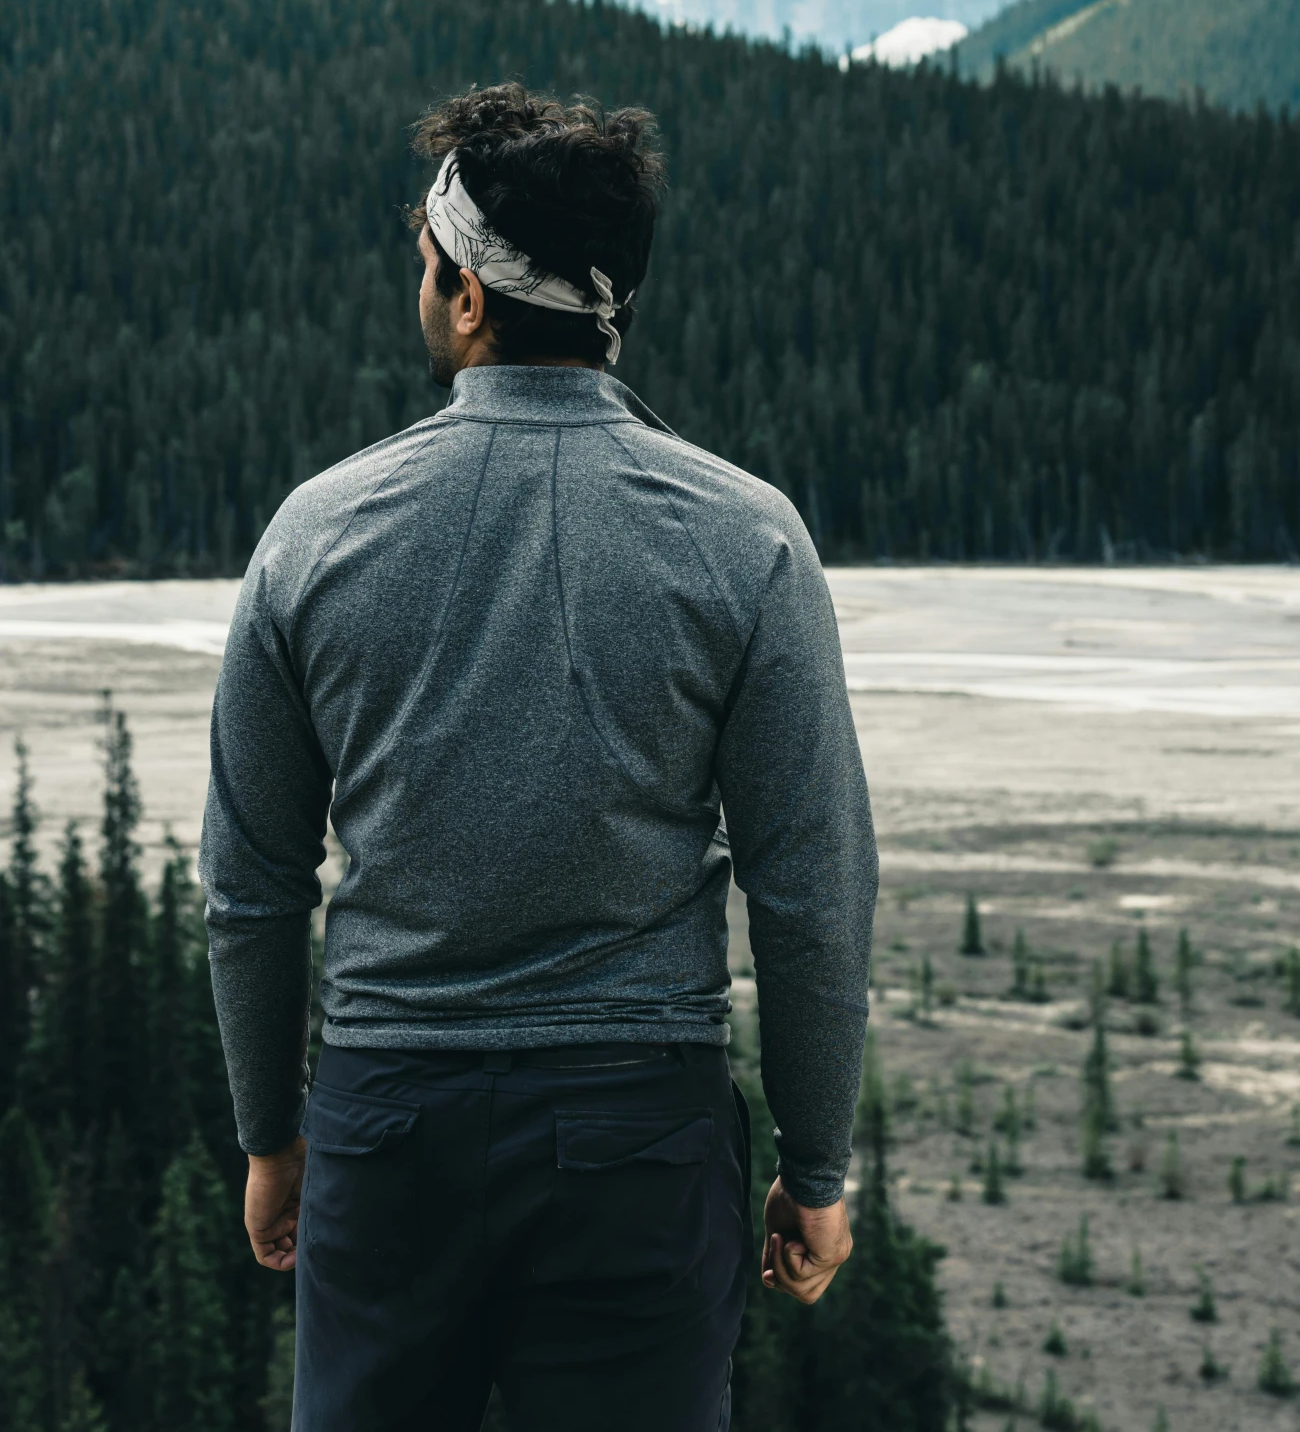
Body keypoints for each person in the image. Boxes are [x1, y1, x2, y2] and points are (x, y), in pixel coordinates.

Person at [199, 82, 878, 1432]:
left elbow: (251, 882)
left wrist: (274, 1137)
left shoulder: (315, 534)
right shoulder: (747, 540)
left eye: (425, 265)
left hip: (388, 1128)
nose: (423, 288)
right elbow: (811, 889)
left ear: (466, 298)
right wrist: (814, 1167)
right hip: (639, 1134)